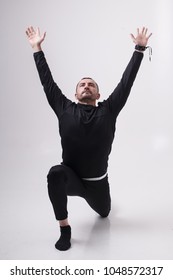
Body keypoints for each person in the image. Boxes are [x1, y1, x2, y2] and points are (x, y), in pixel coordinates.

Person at [26, 26, 152, 251]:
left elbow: (126, 82)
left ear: (98, 94)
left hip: (97, 185)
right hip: (70, 178)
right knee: (55, 173)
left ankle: (101, 204)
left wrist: (139, 49)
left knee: (104, 213)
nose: (86, 86)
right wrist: (37, 48)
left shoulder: (109, 109)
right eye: (82, 85)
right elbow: (47, 82)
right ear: (75, 94)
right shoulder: (63, 108)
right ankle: (65, 228)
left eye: (91, 84)